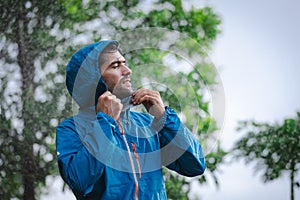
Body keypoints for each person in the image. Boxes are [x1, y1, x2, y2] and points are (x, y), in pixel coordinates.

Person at [56, 40, 206, 200]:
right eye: (115, 66)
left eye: (124, 63)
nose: (128, 71)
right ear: (93, 80)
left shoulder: (147, 124)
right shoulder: (72, 129)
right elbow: (79, 181)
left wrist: (164, 119)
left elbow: (195, 165)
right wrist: (105, 122)